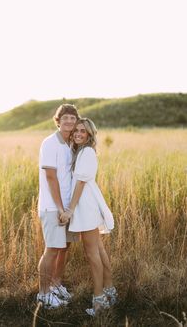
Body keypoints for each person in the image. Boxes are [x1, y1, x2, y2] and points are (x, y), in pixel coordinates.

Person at [60, 118, 117, 316]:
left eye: (82, 131)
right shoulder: (83, 151)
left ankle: (99, 300)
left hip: (85, 207)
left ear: (89, 134)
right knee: (98, 249)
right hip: (88, 204)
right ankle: (110, 291)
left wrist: (70, 210)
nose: (77, 134)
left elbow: (81, 183)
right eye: (76, 130)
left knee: (92, 253)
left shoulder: (86, 152)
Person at [37, 104, 80, 309]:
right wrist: (61, 208)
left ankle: (55, 285)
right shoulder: (50, 143)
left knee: (64, 247)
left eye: (73, 118)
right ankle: (43, 295)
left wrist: (70, 208)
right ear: (58, 120)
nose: (70, 121)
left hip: (67, 207)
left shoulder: (70, 143)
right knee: (52, 249)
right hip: (53, 206)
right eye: (66, 118)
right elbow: (51, 177)